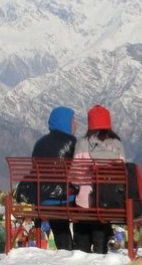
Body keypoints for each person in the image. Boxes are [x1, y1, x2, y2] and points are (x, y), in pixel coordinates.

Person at [21, 106, 78, 250]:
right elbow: (79, 173)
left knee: (59, 223)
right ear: (65, 122)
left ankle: (65, 249)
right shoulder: (73, 143)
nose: (75, 124)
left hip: (44, 199)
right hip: (66, 200)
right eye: (73, 120)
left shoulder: (40, 143)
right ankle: (77, 251)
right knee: (84, 208)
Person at [73, 104, 125, 254]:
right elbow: (121, 177)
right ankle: (101, 249)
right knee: (100, 222)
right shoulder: (117, 144)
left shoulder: (82, 143)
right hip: (109, 203)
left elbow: (75, 178)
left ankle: (82, 251)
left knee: (82, 213)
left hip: (85, 204)